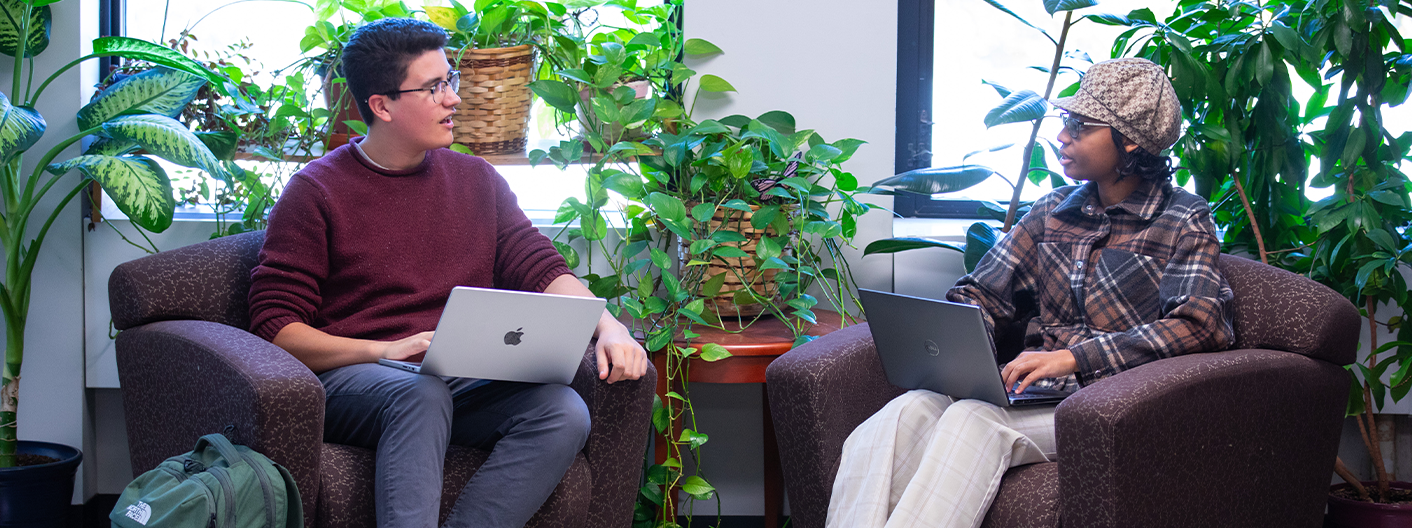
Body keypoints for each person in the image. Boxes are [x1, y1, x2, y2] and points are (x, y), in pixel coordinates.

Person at [247, 17, 649, 528]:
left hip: (453, 377)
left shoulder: (477, 180)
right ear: (382, 105)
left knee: (561, 411)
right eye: (433, 87)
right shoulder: (316, 192)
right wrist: (385, 350)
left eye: (449, 80)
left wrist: (608, 324)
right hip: (355, 379)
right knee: (421, 392)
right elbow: (276, 330)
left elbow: (540, 265)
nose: (453, 99)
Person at [826, 58, 1236, 528]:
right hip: (1036, 392)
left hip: (1112, 403)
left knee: (974, 423)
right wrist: (956, 339)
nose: (1063, 137)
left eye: (1081, 127)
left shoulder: (1184, 218)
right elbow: (983, 292)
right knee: (903, 412)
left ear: (1130, 141)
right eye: (1066, 123)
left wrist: (1075, 358)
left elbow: (1199, 324)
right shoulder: (1051, 212)